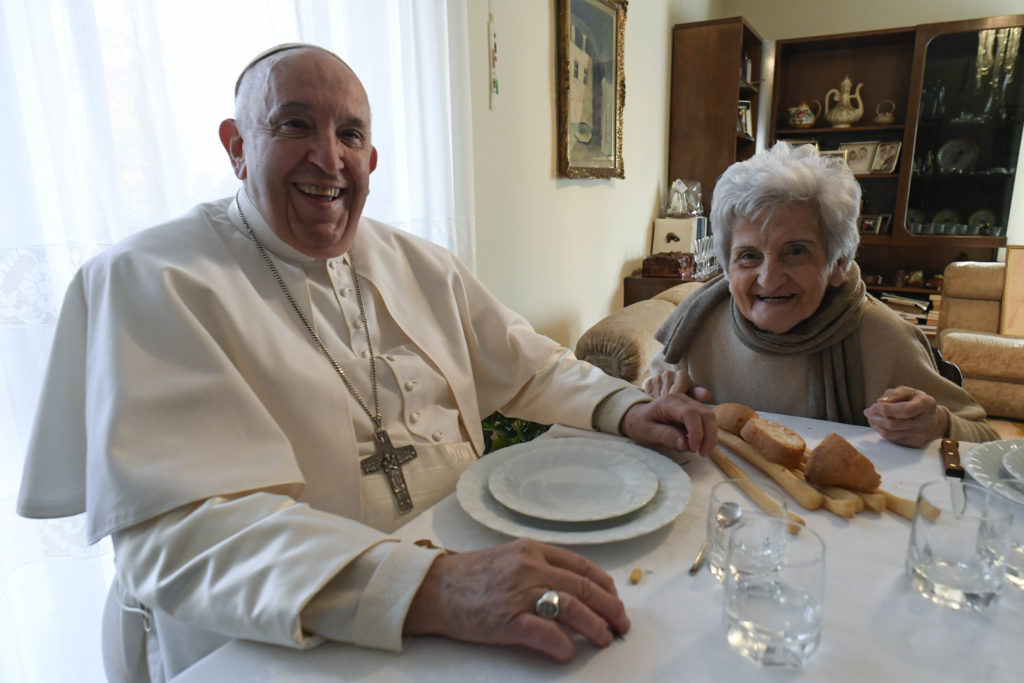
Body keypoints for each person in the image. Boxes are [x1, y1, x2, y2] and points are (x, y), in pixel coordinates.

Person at [16, 44, 718, 681]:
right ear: (235, 146)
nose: (329, 157)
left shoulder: (417, 261)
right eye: (295, 126)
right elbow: (180, 532)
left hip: (468, 570)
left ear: (372, 159)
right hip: (285, 633)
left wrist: (626, 406)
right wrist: (428, 585)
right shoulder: (151, 279)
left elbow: (527, 361)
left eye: (350, 134)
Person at [644, 142, 998, 448]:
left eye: (795, 251)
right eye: (748, 256)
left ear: (838, 263)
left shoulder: (882, 337)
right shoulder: (698, 324)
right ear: (727, 265)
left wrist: (938, 424)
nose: (769, 278)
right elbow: (645, 404)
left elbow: (984, 437)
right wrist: (660, 399)